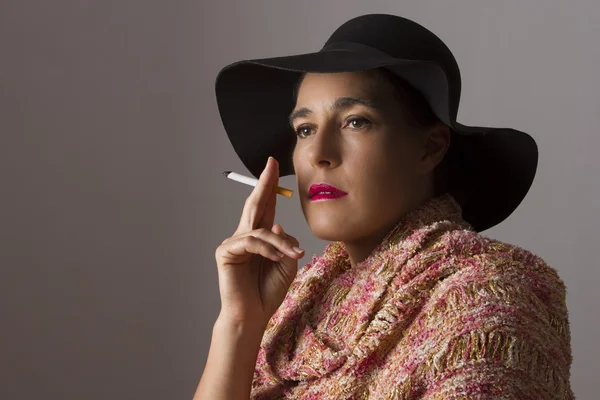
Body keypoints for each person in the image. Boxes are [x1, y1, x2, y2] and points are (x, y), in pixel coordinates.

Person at [193, 14, 574, 399]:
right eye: (305, 129)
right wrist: (239, 323)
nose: (319, 155)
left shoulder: (486, 300)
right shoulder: (295, 312)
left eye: (356, 122)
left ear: (430, 147)